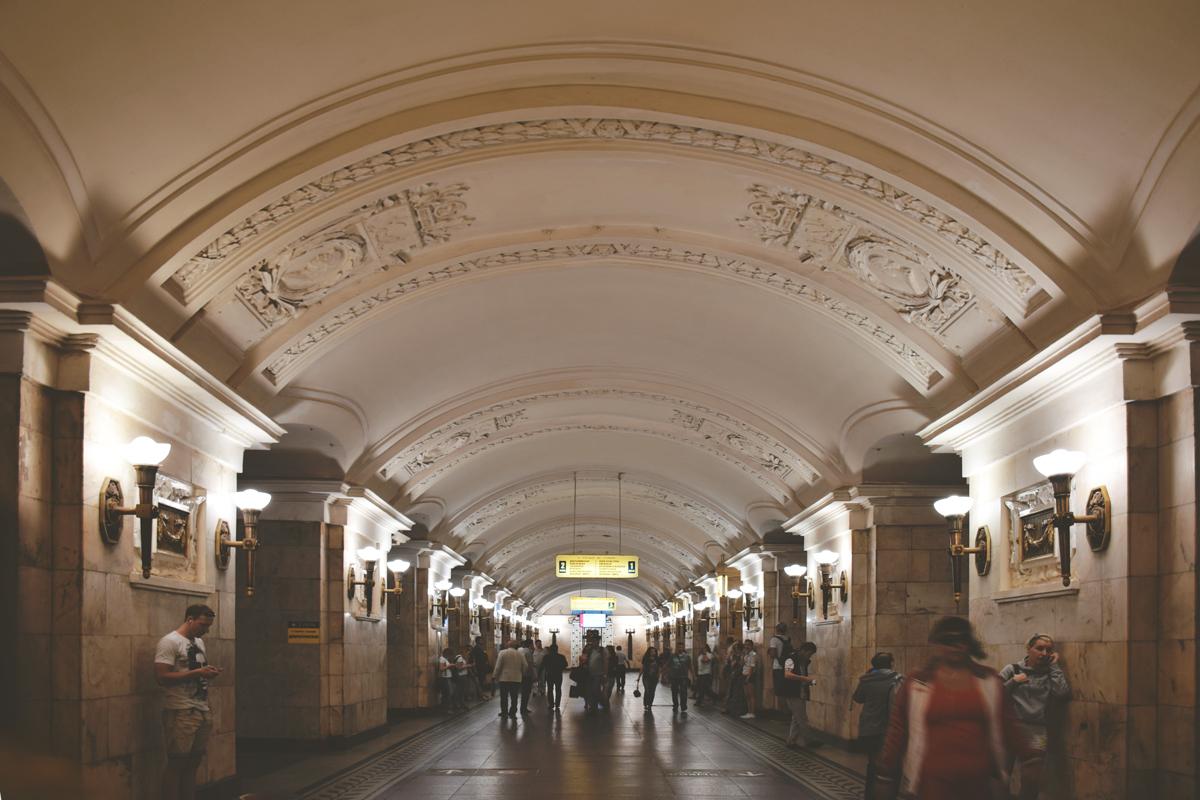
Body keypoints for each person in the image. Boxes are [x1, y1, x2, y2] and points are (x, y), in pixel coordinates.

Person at [876, 616, 1033, 800]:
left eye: (962, 640)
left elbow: (1008, 723)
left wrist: (1029, 756)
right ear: (936, 644)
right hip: (931, 783)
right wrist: (886, 770)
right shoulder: (917, 683)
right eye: (948, 641)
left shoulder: (989, 681)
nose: (956, 646)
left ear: (969, 644)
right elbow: (898, 729)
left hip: (979, 783)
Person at [155, 604, 222, 800]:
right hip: (180, 710)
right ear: (189, 619)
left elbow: (195, 672)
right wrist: (197, 673)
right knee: (177, 763)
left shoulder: (199, 642)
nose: (206, 630)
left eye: (209, 626)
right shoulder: (169, 642)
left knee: (193, 763)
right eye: (202, 625)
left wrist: (208, 672)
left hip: (201, 708)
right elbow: (161, 677)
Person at [999, 633, 1070, 800]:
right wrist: (1013, 682)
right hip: (1011, 728)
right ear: (1028, 649)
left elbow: (1062, 693)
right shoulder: (1012, 669)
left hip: (1036, 730)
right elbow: (994, 693)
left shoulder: (1050, 673)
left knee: (1032, 780)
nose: (1044, 653)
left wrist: (1054, 666)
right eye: (1039, 648)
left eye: (1048, 650)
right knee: (1002, 776)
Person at [853, 651, 902, 798]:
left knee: (872, 764)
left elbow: (858, 698)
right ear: (891, 663)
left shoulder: (866, 679)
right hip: (888, 729)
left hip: (868, 729)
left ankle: (870, 795)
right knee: (890, 766)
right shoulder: (898, 679)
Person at [778, 641, 819, 749]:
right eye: (809, 654)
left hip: (800, 691)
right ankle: (809, 740)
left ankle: (791, 741)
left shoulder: (803, 661)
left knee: (796, 718)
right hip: (792, 692)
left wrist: (807, 682)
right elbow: (788, 674)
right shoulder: (790, 659)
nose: (809, 656)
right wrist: (805, 679)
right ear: (803, 651)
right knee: (802, 718)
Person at [492, 640, 526, 719]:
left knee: (504, 697)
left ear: (508, 645)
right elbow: (525, 665)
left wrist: (494, 676)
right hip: (516, 678)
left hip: (504, 678)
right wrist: (521, 673)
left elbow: (498, 666)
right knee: (514, 696)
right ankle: (512, 712)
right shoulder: (520, 654)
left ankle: (504, 712)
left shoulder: (502, 653)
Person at [667, 640, 695, 713]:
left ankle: (683, 706)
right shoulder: (672, 656)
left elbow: (690, 666)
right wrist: (665, 674)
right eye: (678, 647)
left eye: (681, 647)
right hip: (674, 677)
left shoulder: (687, 656)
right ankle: (675, 705)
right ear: (676, 648)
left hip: (683, 677)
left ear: (683, 648)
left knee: (683, 692)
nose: (680, 648)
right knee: (674, 692)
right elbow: (668, 665)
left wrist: (693, 675)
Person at [767, 622, 791, 705]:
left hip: (778, 667)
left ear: (776, 629)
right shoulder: (787, 639)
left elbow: (773, 654)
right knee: (786, 690)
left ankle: (782, 713)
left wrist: (770, 652)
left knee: (779, 691)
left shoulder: (774, 639)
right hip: (787, 667)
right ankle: (788, 712)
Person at [542, 643, 568, 711]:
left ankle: (551, 704)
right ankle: (557, 704)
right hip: (558, 675)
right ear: (557, 649)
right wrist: (560, 669)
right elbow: (565, 665)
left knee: (550, 690)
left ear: (550, 650)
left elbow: (543, 665)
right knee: (558, 689)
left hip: (549, 675)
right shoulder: (561, 656)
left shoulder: (546, 657)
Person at [725, 641, 747, 716]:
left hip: (738, 675)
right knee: (731, 692)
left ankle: (737, 710)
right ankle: (730, 708)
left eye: (737, 648)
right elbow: (730, 662)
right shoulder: (734, 655)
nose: (736, 649)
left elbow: (741, 665)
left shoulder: (742, 655)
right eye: (735, 648)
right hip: (733, 674)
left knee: (738, 693)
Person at [740, 639, 759, 719]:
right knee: (747, 695)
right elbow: (742, 664)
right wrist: (743, 655)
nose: (746, 646)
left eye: (748, 645)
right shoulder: (746, 654)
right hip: (744, 674)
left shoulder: (753, 654)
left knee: (751, 695)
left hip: (750, 675)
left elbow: (752, 666)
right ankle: (749, 711)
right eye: (745, 645)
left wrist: (748, 677)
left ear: (751, 646)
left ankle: (752, 712)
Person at [517, 638, 535, 714]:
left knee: (523, 692)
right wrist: (533, 675)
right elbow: (530, 664)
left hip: (520, 674)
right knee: (526, 692)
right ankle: (523, 708)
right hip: (527, 674)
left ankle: (522, 708)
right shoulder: (528, 652)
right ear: (530, 644)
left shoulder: (520, 650)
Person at [470, 636, 491, 700]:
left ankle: (481, 695)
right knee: (480, 682)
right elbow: (475, 659)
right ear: (478, 641)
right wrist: (475, 668)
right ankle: (480, 696)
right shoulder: (476, 648)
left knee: (482, 682)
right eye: (481, 640)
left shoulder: (480, 648)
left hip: (482, 668)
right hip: (479, 668)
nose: (482, 641)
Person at [437, 648, 456, 713]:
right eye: (449, 655)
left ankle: (445, 708)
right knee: (449, 693)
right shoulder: (442, 659)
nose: (449, 656)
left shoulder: (445, 659)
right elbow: (441, 668)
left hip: (447, 677)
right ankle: (447, 708)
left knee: (447, 693)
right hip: (445, 678)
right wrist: (450, 665)